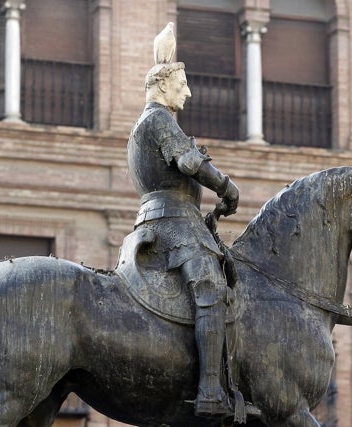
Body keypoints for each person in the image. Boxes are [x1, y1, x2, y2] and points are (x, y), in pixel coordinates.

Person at [126, 45, 239, 417]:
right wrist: (224, 186)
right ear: (162, 85)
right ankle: (209, 390)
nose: (188, 92)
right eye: (183, 84)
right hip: (171, 223)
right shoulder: (158, 119)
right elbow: (190, 162)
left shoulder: (147, 125)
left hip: (166, 218)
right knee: (209, 285)